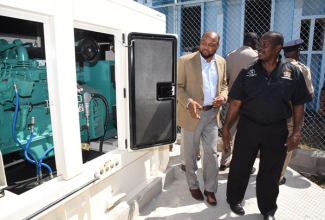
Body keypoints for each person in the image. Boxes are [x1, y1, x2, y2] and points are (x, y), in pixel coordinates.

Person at [222, 31, 312, 220]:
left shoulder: (292, 72)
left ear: (278, 48)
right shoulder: (248, 71)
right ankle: (235, 199)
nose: (260, 47)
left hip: (276, 130)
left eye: (265, 44)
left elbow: (299, 104)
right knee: (240, 166)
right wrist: (226, 127)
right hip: (248, 127)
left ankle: (268, 209)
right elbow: (235, 101)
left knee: (270, 172)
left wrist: (296, 132)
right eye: (260, 44)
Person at [177, 31, 228, 206]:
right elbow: (178, 87)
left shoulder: (221, 62)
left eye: (210, 44)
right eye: (203, 43)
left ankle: (210, 189)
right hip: (192, 113)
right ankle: (193, 185)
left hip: (212, 115)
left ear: (217, 46)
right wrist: (189, 102)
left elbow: (224, 85)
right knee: (190, 154)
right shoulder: (186, 61)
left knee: (212, 154)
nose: (205, 47)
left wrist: (223, 97)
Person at [220, 32, 258, 172]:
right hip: (251, 102)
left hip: (233, 99)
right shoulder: (257, 56)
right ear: (254, 42)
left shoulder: (231, 55)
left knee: (229, 129)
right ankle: (244, 164)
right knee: (248, 133)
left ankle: (224, 161)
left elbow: (226, 78)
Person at [279, 39, 314, 185]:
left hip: (273, 115)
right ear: (297, 54)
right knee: (286, 146)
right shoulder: (301, 69)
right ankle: (278, 177)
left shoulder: (274, 66)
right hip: (291, 117)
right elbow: (309, 95)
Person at [180, 45, 201, 172]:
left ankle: (197, 157)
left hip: (206, 110)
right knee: (186, 138)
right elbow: (179, 87)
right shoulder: (184, 63)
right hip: (188, 108)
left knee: (203, 140)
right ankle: (185, 162)